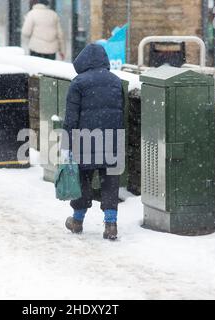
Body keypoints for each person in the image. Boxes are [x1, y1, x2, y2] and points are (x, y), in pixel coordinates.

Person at [62, 44, 124, 241]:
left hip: (85, 139)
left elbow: (71, 119)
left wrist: (66, 145)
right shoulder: (115, 81)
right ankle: (111, 224)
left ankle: (77, 220)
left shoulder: (78, 83)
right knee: (110, 181)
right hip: (111, 139)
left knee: (83, 180)